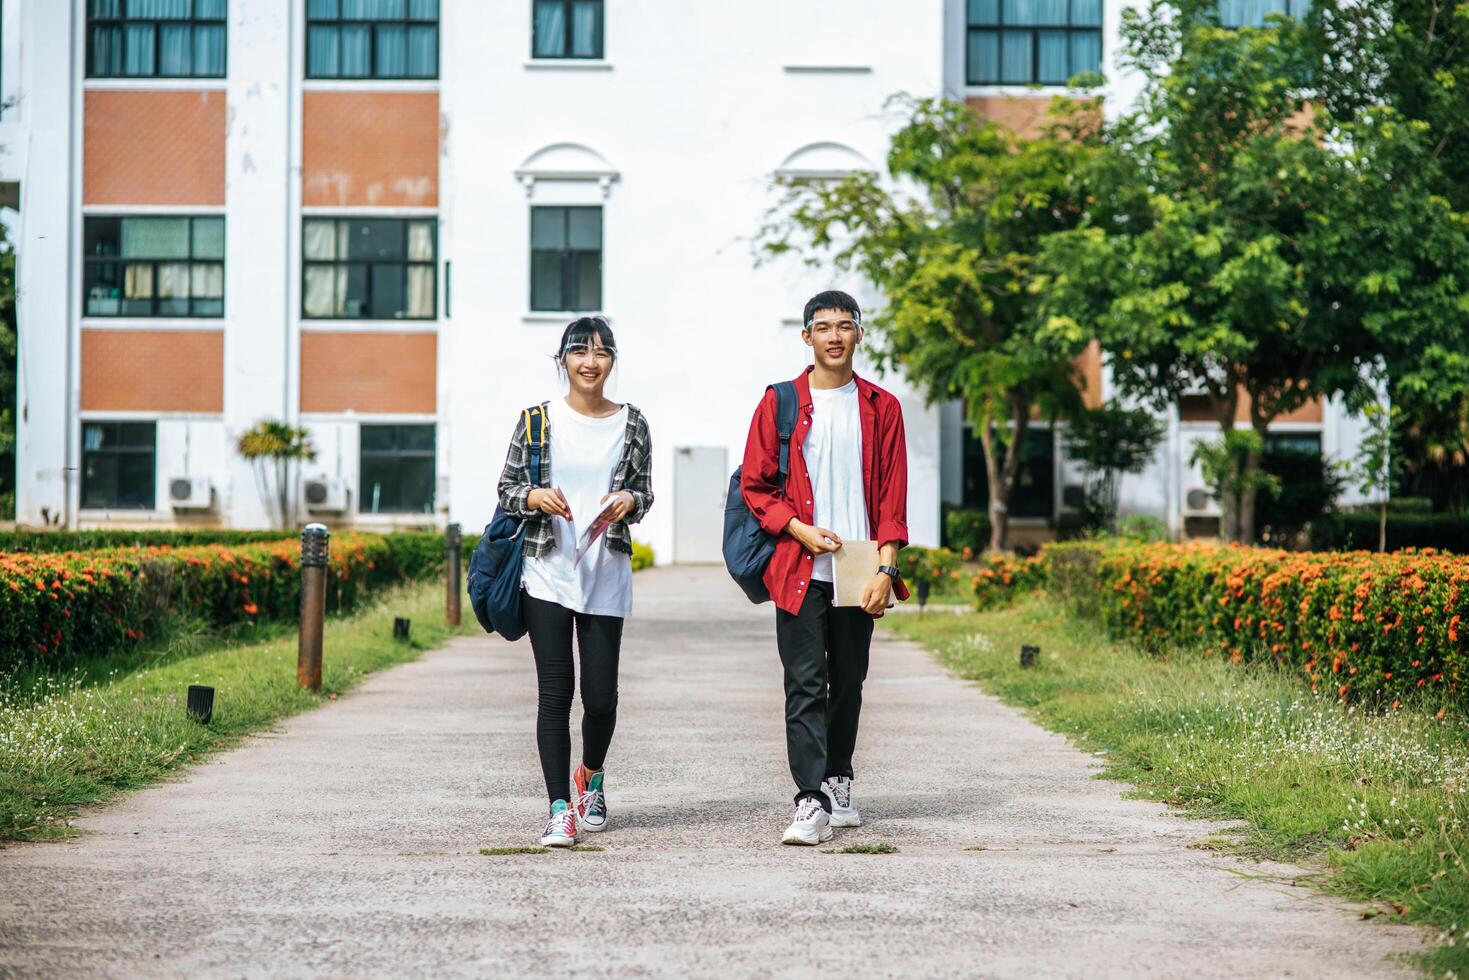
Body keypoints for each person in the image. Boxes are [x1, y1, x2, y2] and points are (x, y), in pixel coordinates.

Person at [740, 290, 909, 845]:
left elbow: (891, 498)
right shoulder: (780, 402)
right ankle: (809, 798)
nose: (833, 336)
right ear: (806, 336)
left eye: (844, 325)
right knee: (805, 683)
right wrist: (799, 529)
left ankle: (839, 778)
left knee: (850, 682)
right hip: (798, 563)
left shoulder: (883, 408)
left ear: (860, 334)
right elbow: (756, 486)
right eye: (822, 326)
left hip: (859, 566)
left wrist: (886, 569)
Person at [496, 316, 653, 847]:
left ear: (612, 361)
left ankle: (591, 777)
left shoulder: (633, 423)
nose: (591, 361)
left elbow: (644, 494)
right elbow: (508, 488)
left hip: (605, 572)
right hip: (546, 571)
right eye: (580, 352)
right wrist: (534, 497)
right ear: (562, 359)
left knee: (602, 699)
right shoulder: (537, 421)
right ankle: (559, 807)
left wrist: (630, 501)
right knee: (554, 696)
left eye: (602, 352)